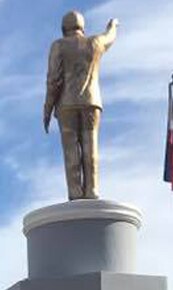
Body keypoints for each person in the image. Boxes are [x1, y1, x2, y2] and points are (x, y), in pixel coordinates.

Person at [42, 10, 118, 200]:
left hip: (66, 104)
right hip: (91, 102)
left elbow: (53, 80)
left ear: (63, 29)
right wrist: (113, 25)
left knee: (71, 150)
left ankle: (75, 193)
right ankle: (92, 190)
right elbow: (109, 37)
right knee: (90, 145)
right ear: (82, 27)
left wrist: (47, 108)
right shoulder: (95, 43)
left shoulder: (58, 46)